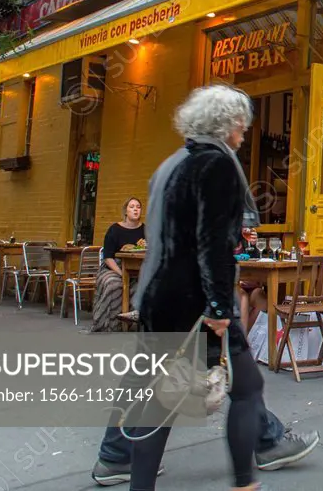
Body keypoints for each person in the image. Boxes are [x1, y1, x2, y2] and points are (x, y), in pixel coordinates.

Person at [100, 85, 289, 491]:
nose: (244, 133)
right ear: (229, 125)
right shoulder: (217, 166)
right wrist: (221, 310)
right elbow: (213, 244)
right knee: (247, 387)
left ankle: (132, 476)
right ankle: (245, 482)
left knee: (160, 400)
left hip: (158, 297)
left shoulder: (170, 164)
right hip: (195, 302)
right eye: (241, 125)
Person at [91, 198, 146, 333]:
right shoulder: (114, 230)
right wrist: (122, 274)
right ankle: (106, 324)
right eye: (132, 206)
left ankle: (134, 316)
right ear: (125, 211)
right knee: (113, 284)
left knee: (143, 286)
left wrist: (147, 246)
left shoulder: (146, 230)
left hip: (138, 268)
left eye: (138, 207)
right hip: (114, 267)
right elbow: (108, 257)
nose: (135, 209)